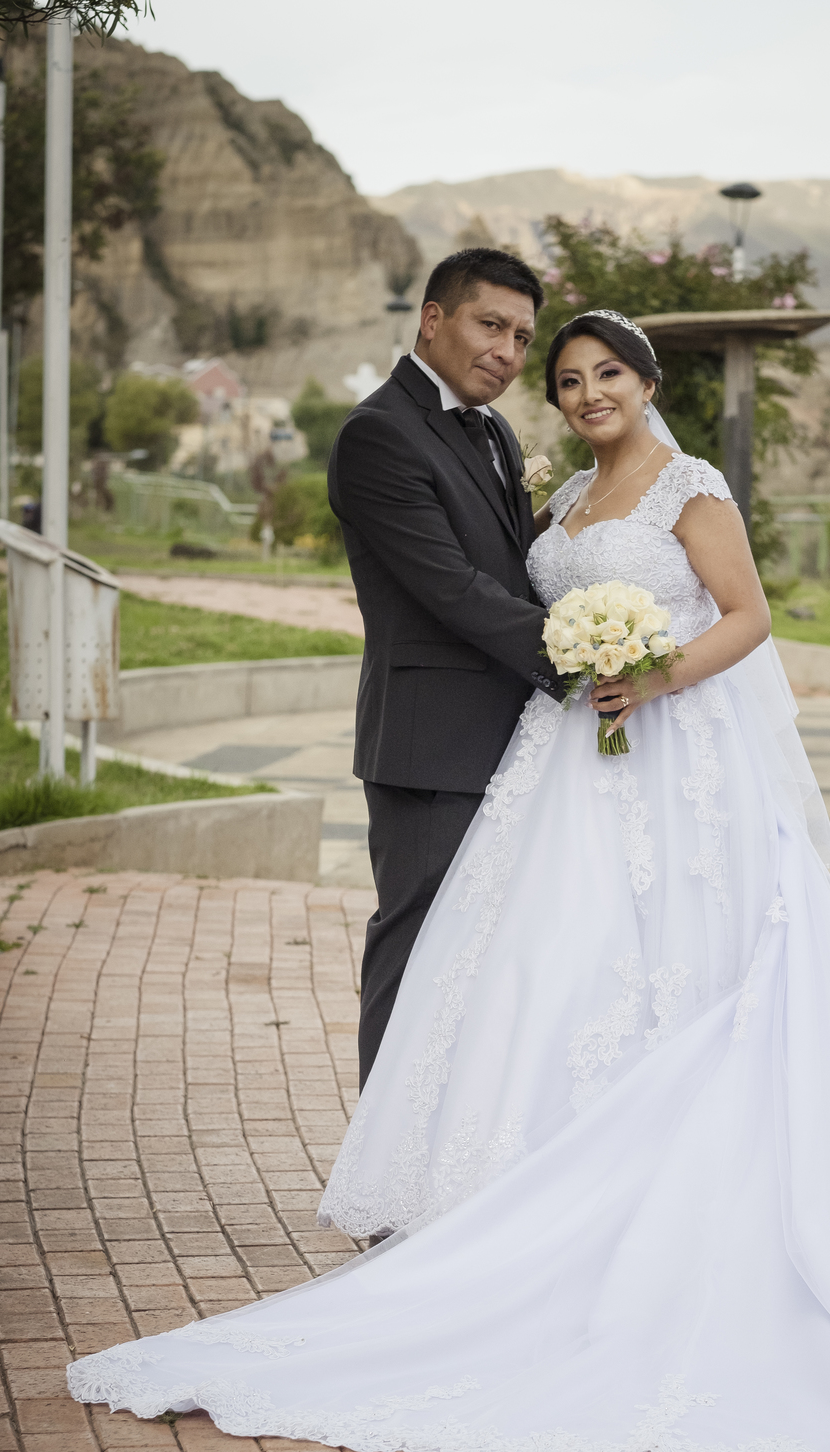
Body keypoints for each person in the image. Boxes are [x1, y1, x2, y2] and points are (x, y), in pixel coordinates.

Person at [68, 312, 830, 1452]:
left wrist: (653, 675)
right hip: (564, 771)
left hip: (679, 764)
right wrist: (595, 671)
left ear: (647, 382)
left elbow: (750, 620)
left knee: (681, 974)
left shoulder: (690, 488)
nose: (588, 391)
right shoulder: (554, 505)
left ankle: (682, 1229)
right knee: (544, 967)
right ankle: (510, 1215)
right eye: (567, 380)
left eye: (607, 374)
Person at [326, 246, 567, 1097]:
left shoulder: (495, 430)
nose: (506, 350)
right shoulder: (379, 434)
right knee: (417, 948)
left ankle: (444, 1167)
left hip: (510, 737)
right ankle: (383, 1198)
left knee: (485, 957)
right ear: (435, 319)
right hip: (431, 750)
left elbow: (514, 564)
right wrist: (578, 656)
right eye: (489, 324)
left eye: (522, 337)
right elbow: (452, 590)